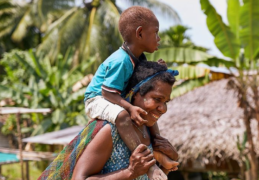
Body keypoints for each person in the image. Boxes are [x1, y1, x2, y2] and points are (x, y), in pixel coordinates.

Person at [38, 61, 179, 180]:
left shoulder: (148, 129)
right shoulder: (112, 131)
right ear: (135, 94)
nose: (163, 108)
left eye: (166, 101)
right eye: (157, 99)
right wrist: (129, 172)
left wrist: (169, 162)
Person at [84, 6, 178, 178]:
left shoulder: (138, 57)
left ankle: (158, 149)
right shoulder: (121, 60)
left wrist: (159, 69)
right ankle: (148, 165)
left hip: (114, 97)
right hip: (97, 98)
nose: (158, 38)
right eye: (155, 33)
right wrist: (130, 108)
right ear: (140, 33)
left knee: (148, 116)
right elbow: (107, 93)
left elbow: (144, 79)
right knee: (122, 116)